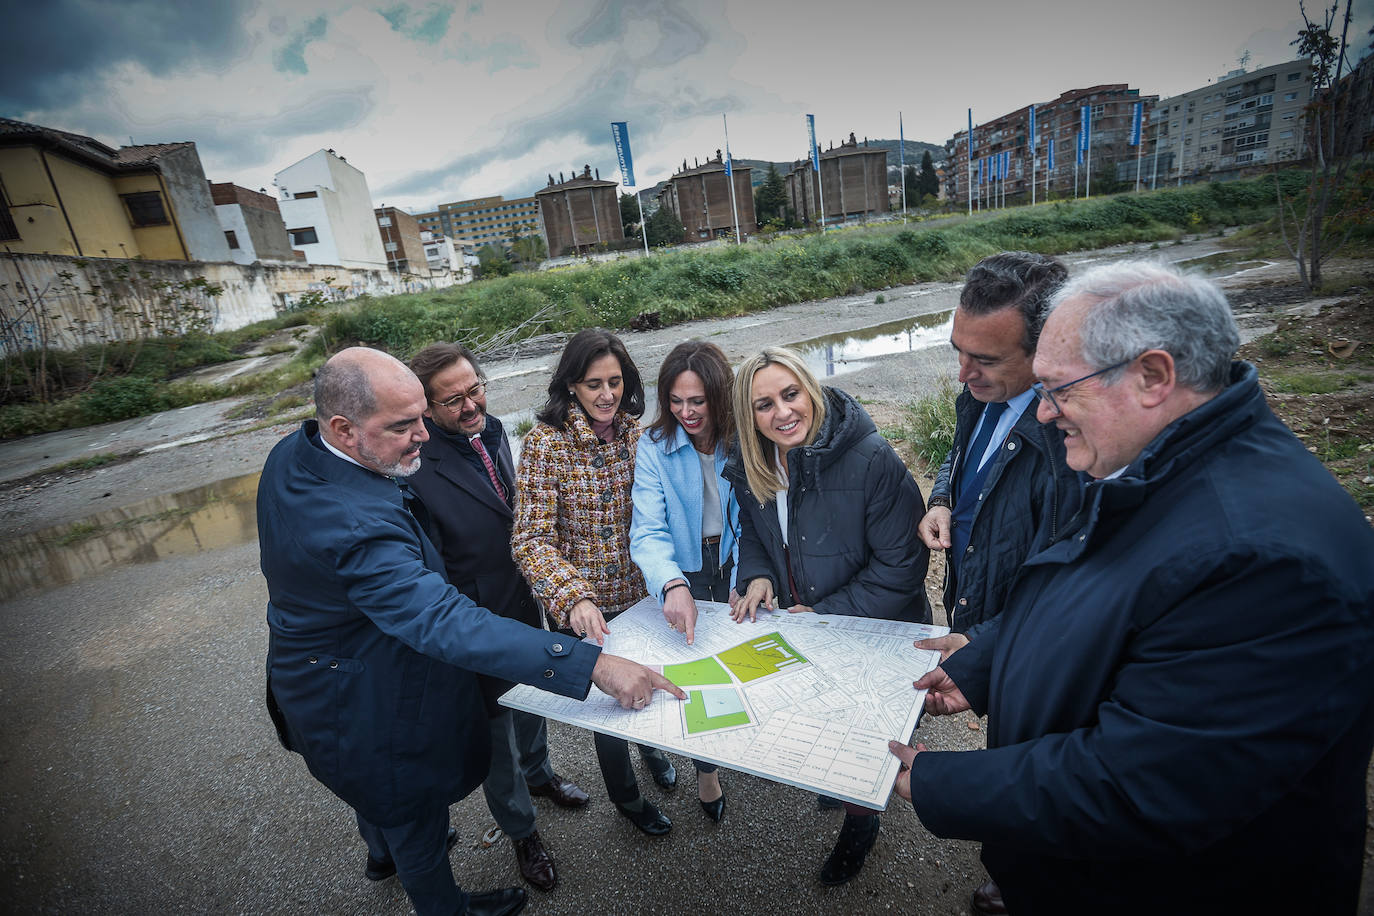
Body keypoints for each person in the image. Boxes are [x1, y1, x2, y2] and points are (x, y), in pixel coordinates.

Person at [890, 262, 1374, 915]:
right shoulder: (1153, 464)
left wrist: (939, 780)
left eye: (1059, 388)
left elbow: (1141, 785)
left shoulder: (1261, 561)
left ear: (1152, 376)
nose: (1041, 410)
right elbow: (1094, 600)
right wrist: (984, 660)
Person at [259, 347, 682, 916]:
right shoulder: (354, 528)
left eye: (420, 417)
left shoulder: (298, 450)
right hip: (360, 691)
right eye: (405, 425)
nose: (422, 436)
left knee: (385, 804)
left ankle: (382, 852)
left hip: (332, 661)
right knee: (414, 817)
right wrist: (595, 665)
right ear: (342, 427)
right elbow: (439, 618)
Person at [724, 346, 930, 887]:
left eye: (790, 395)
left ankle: (860, 825)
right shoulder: (756, 464)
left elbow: (903, 567)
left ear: (811, 391)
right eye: (764, 405)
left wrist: (823, 614)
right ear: (750, 417)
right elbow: (756, 535)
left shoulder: (873, 458)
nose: (782, 413)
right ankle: (840, 786)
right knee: (825, 719)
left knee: (861, 733)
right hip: (807, 619)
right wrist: (758, 576)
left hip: (869, 626)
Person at [915, 251, 1077, 915]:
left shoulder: (1071, 441)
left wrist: (982, 647)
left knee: (1036, 758)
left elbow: (1068, 593)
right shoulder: (978, 394)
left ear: (1045, 355)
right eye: (958, 351)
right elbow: (961, 452)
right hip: (981, 618)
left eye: (984, 359)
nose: (963, 373)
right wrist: (943, 497)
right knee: (1005, 739)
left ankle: (1021, 882)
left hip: (1030, 644)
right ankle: (1009, 871)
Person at [405, 342, 592, 894]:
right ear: (427, 409)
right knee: (495, 737)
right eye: (453, 400)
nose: (469, 406)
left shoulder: (493, 433)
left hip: (522, 599)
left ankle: (543, 776)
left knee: (532, 704)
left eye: (475, 390)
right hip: (475, 621)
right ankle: (521, 832)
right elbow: (429, 568)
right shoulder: (417, 469)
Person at [511, 329, 680, 837]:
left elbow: (656, 515)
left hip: (639, 595)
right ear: (571, 386)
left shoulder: (637, 434)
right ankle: (627, 800)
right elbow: (530, 538)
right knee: (609, 706)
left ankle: (653, 751)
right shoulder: (546, 442)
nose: (606, 395)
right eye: (593, 385)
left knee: (650, 679)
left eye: (615, 382)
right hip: (589, 610)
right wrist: (574, 597)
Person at [629, 340, 739, 823]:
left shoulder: (744, 435)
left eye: (698, 401)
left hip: (740, 562)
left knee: (752, 655)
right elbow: (648, 530)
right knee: (697, 672)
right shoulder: (653, 446)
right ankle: (707, 770)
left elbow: (763, 508)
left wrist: (755, 572)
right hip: (686, 569)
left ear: (721, 395)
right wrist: (672, 584)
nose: (687, 412)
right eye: (676, 401)